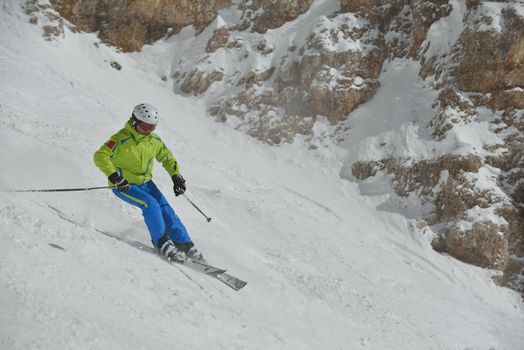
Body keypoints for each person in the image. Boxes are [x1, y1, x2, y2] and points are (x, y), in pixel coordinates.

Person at [93, 103, 204, 263]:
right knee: (150, 204)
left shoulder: (154, 140)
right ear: (134, 121)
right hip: (124, 185)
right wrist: (115, 177)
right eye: (144, 126)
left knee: (165, 207)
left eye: (152, 127)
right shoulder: (120, 139)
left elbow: (167, 158)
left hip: (146, 183)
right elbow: (100, 156)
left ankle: (183, 243)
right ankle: (162, 243)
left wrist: (175, 176)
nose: (147, 131)